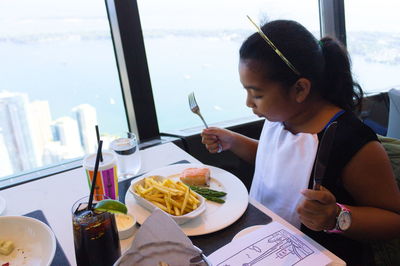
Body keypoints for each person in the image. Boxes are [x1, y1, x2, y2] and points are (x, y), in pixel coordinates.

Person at [201, 19, 400, 265]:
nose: (249, 103)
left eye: (257, 94)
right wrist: (233, 141)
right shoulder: (281, 117)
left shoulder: (352, 142)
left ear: (300, 89)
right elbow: (274, 159)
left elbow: (393, 220)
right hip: (264, 244)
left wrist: (335, 216)